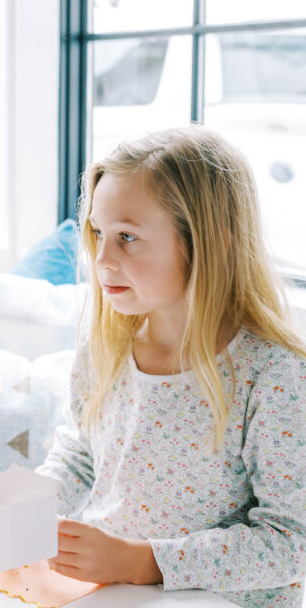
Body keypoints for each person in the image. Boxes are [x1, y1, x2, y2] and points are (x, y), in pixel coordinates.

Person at [35, 126, 306, 608]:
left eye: (127, 238)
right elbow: (83, 453)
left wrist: (142, 562)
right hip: (110, 592)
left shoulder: (273, 375)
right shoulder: (106, 347)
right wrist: (28, 509)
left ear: (210, 242)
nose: (101, 259)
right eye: (97, 232)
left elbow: (291, 542)